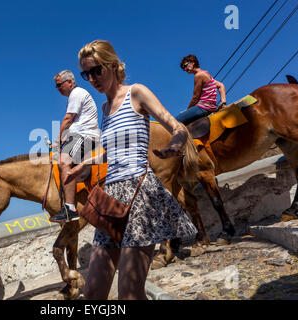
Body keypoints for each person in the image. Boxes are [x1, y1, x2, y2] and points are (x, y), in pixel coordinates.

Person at [64, 40, 197, 300]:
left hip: (139, 196)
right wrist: (83, 164)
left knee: (129, 294)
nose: (92, 79)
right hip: (110, 200)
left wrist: (175, 146)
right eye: (86, 74)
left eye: (96, 71)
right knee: (92, 293)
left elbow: (177, 126)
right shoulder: (104, 109)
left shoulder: (136, 92)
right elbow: (113, 149)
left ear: (112, 66)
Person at [49, 70, 100, 223]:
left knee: (64, 160)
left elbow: (68, 120)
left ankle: (70, 208)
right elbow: (71, 126)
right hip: (78, 135)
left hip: (85, 136)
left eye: (59, 85)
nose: (57, 89)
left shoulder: (76, 93)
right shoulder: (75, 96)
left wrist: (56, 143)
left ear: (69, 82)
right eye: (56, 86)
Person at [176, 54, 227, 125]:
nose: (185, 69)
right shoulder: (206, 75)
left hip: (203, 107)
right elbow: (221, 85)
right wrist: (223, 102)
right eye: (183, 68)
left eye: (185, 66)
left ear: (192, 62)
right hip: (211, 107)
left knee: (175, 121)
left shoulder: (198, 75)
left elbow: (195, 97)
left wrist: (187, 110)